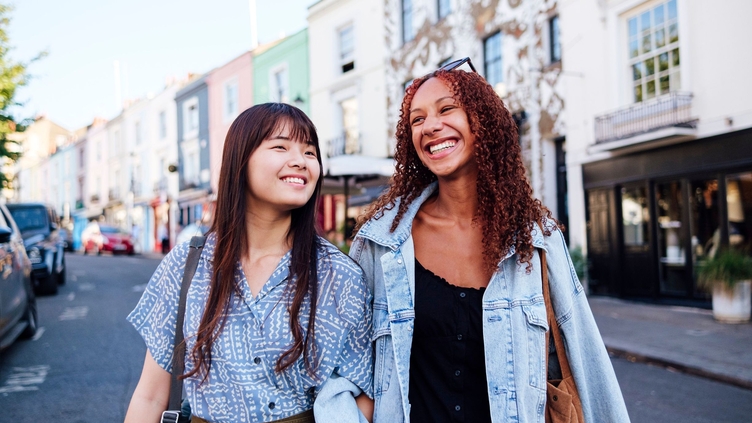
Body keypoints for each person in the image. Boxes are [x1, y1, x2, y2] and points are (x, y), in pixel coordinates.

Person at [350, 58, 630, 422]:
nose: (430, 126)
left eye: (447, 109)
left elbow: (587, 360)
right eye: (417, 119)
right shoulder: (381, 242)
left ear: (484, 122)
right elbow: (351, 366)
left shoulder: (536, 237)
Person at [125, 103, 373, 423]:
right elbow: (151, 395)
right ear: (240, 161)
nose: (300, 161)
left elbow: (362, 395)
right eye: (281, 146)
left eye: (310, 152)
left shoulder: (338, 275)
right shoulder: (187, 265)